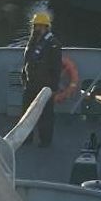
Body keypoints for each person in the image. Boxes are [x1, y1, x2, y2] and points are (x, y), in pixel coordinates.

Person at [21, 11, 62, 148]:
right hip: (30, 84)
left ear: (46, 27)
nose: (36, 29)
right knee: (26, 113)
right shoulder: (32, 42)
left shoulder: (53, 44)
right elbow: (27, 61)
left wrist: (54, 87)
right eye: (35, 26)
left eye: (39, 26)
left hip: (45, 85)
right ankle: (26, 138)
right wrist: (23, 76)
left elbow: (56, 66)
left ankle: (45, 141)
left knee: (46, 115)